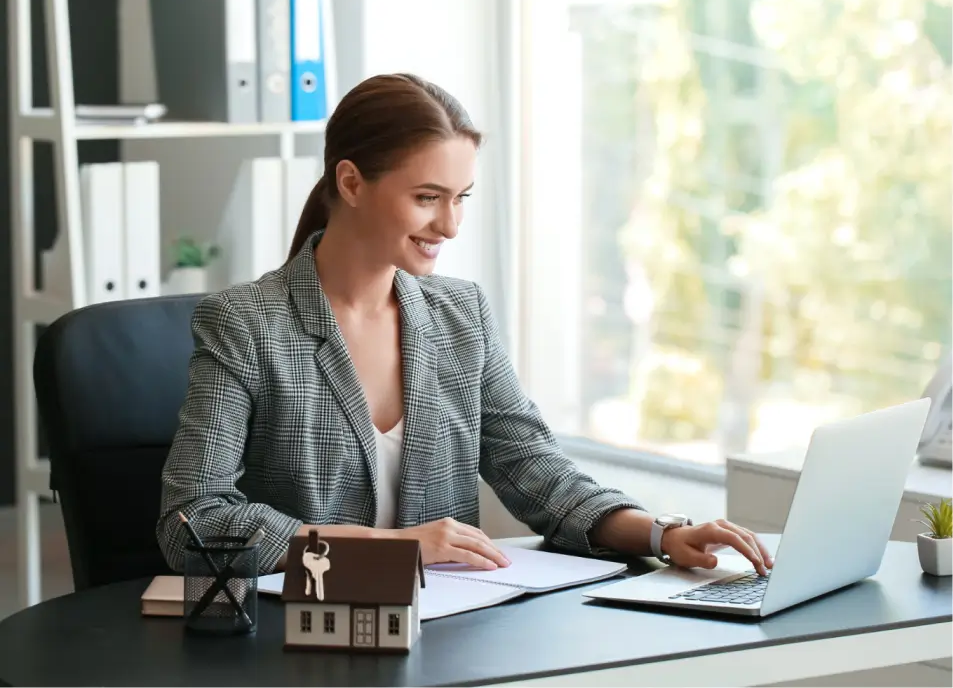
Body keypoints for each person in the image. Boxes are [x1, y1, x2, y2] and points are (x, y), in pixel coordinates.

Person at [157, 73, 773, 578]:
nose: (450, 226)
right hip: (306, 641)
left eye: (461, 198)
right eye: (427, 197)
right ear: (350, 182)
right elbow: (193, 522)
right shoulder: (245, 323)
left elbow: (535, 469)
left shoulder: (461, 314)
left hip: (449, 637)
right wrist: (382, 550)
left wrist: (665, 533)